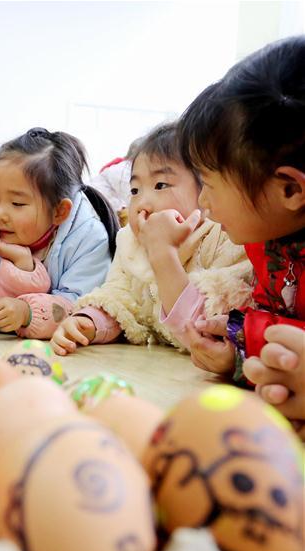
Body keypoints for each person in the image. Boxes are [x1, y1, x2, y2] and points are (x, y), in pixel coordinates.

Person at [179, 36, 305, 421]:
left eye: (211, 184)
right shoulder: (266, 242)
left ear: (290, 189)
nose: (203, 203)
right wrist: (238, 348)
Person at [51, 123, 252, 356]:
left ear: (205, 191)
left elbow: (210, 325)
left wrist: (162, 251)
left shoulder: (223, 236)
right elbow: (119, 295)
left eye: (160, 185)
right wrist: (90, 321)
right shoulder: (129, 241)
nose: (142, 204)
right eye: (135, 190)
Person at [0, 128, 119, 339]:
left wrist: (27, 312)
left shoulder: (89, 239)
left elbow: (79, 305)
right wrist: (21, 266)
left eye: (17, 203)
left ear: (60, 211)